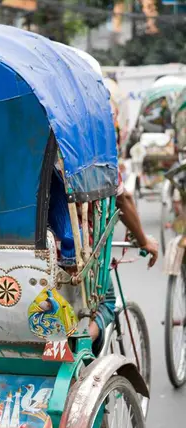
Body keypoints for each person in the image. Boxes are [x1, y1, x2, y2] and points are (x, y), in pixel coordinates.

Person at [50, 47, 158, 353]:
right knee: (106, 301)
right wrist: (143, 240)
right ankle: (81, 347)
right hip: (72, 253)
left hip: (18, 249)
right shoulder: (87, 136)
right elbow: (121, 199)